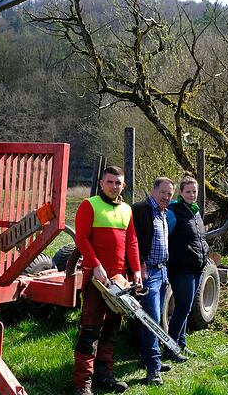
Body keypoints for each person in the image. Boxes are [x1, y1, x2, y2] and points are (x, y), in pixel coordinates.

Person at [73, 166, 142, 395]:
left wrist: (137, 271)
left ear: (124, 185)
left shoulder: (126, 210)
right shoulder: (89, 205)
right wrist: (96, 265)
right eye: (110, 182)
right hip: (96, 280)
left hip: (119, 280)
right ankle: (83, 384)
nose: (114, 186)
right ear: (102, 183)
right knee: (90, 330)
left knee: (112, 329)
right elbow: (81, 239)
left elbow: (132, 242)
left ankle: (105, 376)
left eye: (118, 182)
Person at [131, 177, 186, 386]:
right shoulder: (141, 210)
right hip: (149, 273)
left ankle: (148, 359)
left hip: (163, 272)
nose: (166, 197)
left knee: (153, 319)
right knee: (151, 321)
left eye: (170, 194)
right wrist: (141, 264)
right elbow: (133, 240)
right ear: (154, 191)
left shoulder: (164, 212)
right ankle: (153, 369)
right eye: (163, 192)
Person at [166, 175, 208, 357]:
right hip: (181, 267)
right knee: (182, 307)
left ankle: (181, 344)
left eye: (194, 191)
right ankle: (170, 347)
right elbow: (164, 236)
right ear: (181, 193)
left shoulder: (195, 211)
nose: (192, 195)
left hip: (196, 266)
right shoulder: (173, 211)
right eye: (188, 191)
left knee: (187, 307)